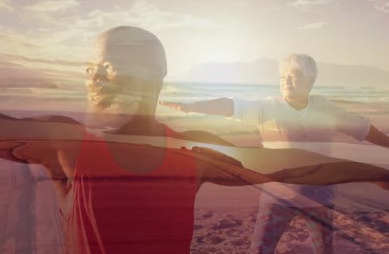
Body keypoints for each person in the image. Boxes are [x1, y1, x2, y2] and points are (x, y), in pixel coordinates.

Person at [0, 30, 388, 254]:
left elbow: (290, 164)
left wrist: (379, 172)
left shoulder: (191, 153)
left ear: (157, 76)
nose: (99, 79)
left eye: (117, 66)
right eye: (93, 68)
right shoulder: (63, 141)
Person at [160, 53, 389, 253]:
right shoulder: (268, 108)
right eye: (282, 77)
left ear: (309, 82)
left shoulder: (325, 109)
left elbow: (363, 128)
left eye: (293, 76)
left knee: (323, 250)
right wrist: (192, 106)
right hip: (277, 198)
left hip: (319, 199)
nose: (286, 81)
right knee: (260, 250)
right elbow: (231, 106)